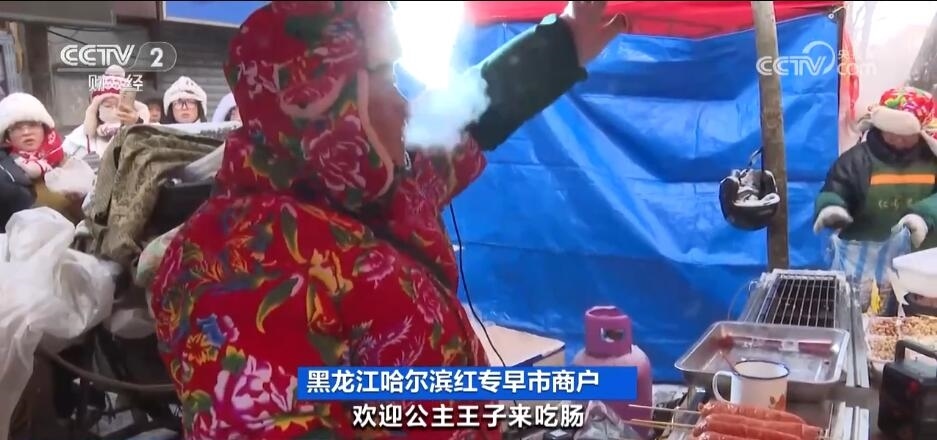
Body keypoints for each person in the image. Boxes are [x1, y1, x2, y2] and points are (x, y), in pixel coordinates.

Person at [149, 1, 624, 438]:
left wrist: (561, 43)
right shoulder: (236, 270)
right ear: (321, 99)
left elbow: (466, 118)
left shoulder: (374, 190)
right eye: (382, 78)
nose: (403, 104)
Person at [814, 86, 937, 250]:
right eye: (891, 133)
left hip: (922, 255)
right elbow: (837, 186)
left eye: (906, 135)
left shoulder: (932, 160)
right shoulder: (857, 160)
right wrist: (831, 206)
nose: (898, 139)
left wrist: (924, 217)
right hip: (864, 253)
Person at [63, 65, 149, 171]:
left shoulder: (142, 132)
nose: (114, 110)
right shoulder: (77, 139)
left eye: (119, 105)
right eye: (107, 105)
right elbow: (62, 168)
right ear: (96, 108)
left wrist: (139, 121)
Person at [0, 92, 61, 230]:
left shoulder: (64, 159)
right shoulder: (5, 172)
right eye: (17, 128)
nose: (26, 132)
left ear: (44, 128)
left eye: (33, 124)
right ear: (7, 136)